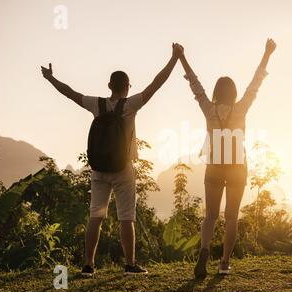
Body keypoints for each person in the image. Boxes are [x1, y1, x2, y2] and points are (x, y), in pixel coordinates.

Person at [41, 43, 184, 276]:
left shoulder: (96, 104)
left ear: (109, 86)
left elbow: (70, 93)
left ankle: (88, 265)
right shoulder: (130, 105)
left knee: (95, 216)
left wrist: (50, 78)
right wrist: (174, 59)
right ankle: (130, 264)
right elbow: (156, 84)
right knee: (126, 218)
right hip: (123, 169)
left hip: (98, 170)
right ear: (127, 87)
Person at [179, 39, 276, 278]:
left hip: (214, 167)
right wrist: (267, 53)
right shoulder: (240, 108)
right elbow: (256, 83)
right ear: (233, 93)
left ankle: (203, 250)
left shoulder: (209, 109)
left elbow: (195, 85)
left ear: (216, 93)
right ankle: (224, 263)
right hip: (236, 168)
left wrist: (181, 57)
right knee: (231, 216)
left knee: (210, 215)